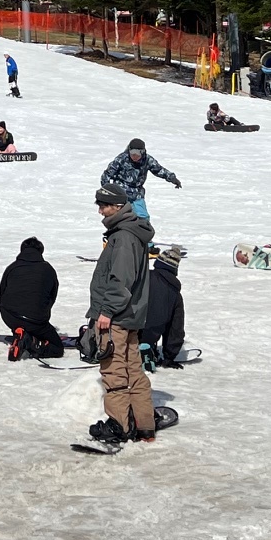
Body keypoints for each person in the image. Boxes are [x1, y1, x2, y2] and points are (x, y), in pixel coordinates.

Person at [86, 185, 156, 445]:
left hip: (117, 316)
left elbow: (120, 279)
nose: (100, 211)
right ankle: (143, 425)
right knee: (132, 369)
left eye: (103, 205)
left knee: (114, 371)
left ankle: (120, 426)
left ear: (117, 206)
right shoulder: (130, 233)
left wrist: (106, 311)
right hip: (130, 315)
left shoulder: (124, 236)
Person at [0, 237, 62, 359]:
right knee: (57, 349)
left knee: (22, 318)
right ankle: (29, 341)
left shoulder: (12, 267)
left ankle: (20, 333)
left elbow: (2, 292)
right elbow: (52, 296)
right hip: (35, 320)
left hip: (9, 317)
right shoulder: (48, 269)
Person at [100, 138, 180, 221]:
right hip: (121, 194)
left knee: (143, 217)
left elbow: (159, 170)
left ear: (142, 152)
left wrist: (172, 178)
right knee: (121, 217)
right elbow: (107, 175)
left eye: (137, 153)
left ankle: (142, 231)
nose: (134, 156)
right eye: (132, 153)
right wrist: (108, 193)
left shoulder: (147, 160)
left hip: (137, 194)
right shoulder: (121, 159)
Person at [139, 243, 187, 372]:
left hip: (128, 329)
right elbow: (175, 328)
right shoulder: (175, 294)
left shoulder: (142, 277)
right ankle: (147, 348)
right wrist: (169, 356)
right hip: (152, 333)